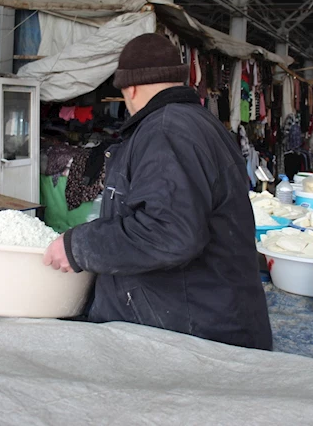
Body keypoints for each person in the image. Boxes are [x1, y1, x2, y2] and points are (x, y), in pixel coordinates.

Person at [43, 33, 273, 351]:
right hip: (207, 322)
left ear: (131, 88)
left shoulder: (165, 131)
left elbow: (168, 232)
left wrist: (78, 245)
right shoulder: (200, 123)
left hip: (190, 339)